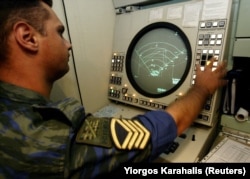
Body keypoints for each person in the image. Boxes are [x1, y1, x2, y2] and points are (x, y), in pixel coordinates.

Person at [0, 0, 227, 178]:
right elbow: (169, 125)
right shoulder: (48, 140)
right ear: (27, 37)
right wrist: (201, 88)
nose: (68, 43)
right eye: (59, 32)